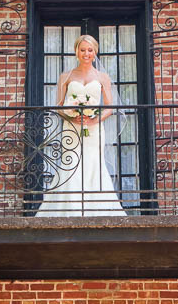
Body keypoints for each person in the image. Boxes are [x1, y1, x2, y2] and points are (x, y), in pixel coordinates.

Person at [35, 35, 126, 217]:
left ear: (95, 52)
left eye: (90, 50)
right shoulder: (66, 77)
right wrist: (72, 114)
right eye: (82, 50)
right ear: (76, 51)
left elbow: (109, 107)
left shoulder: (102, 77)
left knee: (93, 164)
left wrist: (94, 119)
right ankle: (71, 210)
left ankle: (97, 210)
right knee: (71, 163)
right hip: (72, 129)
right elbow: (58, 106)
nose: (86, 54)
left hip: (94, 130)